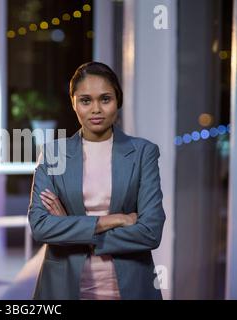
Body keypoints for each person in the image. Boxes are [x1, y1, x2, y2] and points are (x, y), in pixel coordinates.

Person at [27, 61, 166, 300]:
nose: (96, 109)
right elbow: (40, 227)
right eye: (85, 100)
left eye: (105, 99)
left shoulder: (144, 152)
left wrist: (72, 227)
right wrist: (116, 220)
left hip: (130, 287)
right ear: (74, 103)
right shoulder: (53, 154)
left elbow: (151, 232)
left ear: (118, 101)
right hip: (65, 287)